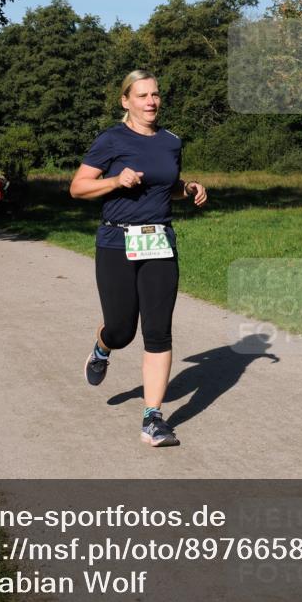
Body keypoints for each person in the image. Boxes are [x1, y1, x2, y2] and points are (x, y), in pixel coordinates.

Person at [69, 69, 207, 447]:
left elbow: (167, 185)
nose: (151, 102)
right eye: (143, 95)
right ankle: (103, 346)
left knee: (158, 330)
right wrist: (115, 181)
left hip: (160, 241)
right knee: (122, 329)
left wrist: (189, 188)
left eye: (156, 95)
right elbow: (78, 188)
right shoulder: (111, 140)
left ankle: (153, 418)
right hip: (117, 241)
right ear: (125, 101)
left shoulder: (171, 142)